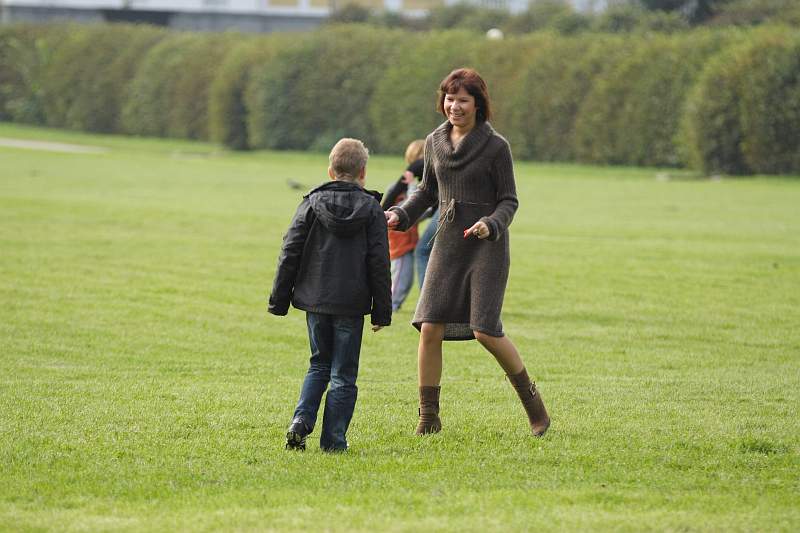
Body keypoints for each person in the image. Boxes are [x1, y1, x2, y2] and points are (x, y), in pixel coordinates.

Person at [385, 68, 550, 437]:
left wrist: (491, 224)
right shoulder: (433, 142)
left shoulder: (496, 147)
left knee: (485, 332)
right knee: (429, 327)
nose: (454, 106)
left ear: (478, 104)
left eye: (462, 99)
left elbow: (509, 200)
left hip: (486, 248)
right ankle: (428, 418)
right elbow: (426, 193)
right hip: (447, 243)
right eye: (449, 98)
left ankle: (535, 406)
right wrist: (400, 214)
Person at [268, 138, 392, 452]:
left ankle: (301, 420)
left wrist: (279, 300)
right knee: (344, 373)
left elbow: (290, 251)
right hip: (351, 303)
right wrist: (382, 312)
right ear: (363, 172)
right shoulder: (372, 210)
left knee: (318, 365)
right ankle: (334, 441)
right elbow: (379, 261)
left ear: (330, 169)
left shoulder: (310, 202)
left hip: (316, 300)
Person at [382, 140, 425, 312]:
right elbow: (405, 207)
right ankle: (389, 305)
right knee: (401, 275)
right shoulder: (399, 187)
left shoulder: (418, 186)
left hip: (410, 238)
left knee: (406, 278)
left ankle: (394, 303)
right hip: (399, 238)